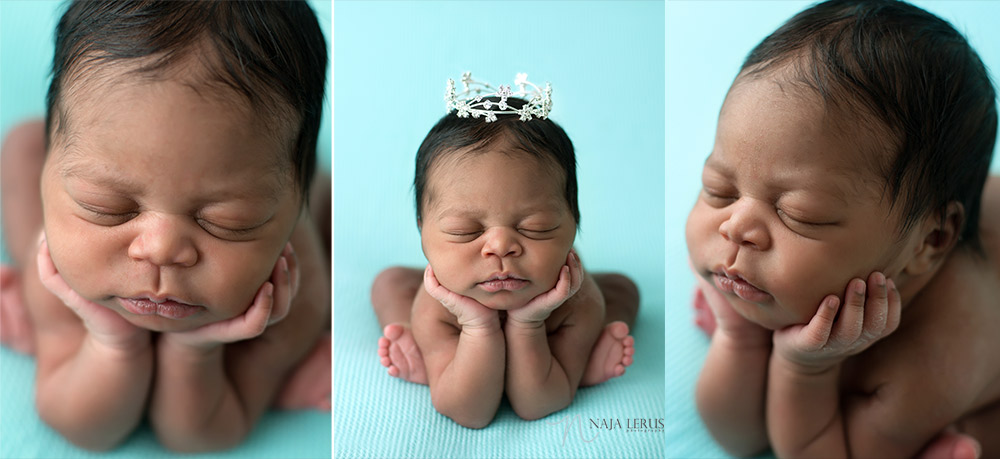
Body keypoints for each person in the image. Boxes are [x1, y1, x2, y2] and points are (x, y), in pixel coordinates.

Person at [0, 0, 330, 452]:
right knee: (20, 146)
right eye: (108, 207)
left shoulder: (290, 305)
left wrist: (197, 351)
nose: (160, 250)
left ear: (290, 216)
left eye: (226, 223)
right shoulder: (62, 275)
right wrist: (112, 343)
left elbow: (199, 438)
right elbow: (85, 429)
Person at [686, 0, 999, 457]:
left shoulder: (929, 364)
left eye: (800, 214)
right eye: (719, 188)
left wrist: (804, 369)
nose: (734, 228)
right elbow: (736, 435)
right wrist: (740, 336)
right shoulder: (757, 243)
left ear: (928, 241)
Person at [371, 74, 638, 428]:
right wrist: (475, 324)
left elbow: (537, 404)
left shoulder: (578, 302)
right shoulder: (436, 305)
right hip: (452, 311)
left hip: (553, 318)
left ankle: (574, 361)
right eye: (464, 231)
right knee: (389, 282)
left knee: (623, 289)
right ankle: (428, 352)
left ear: (573, 223)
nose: (500, 247)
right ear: (422, 227)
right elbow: (470, 412)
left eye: (536, 228)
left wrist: (530, 323)